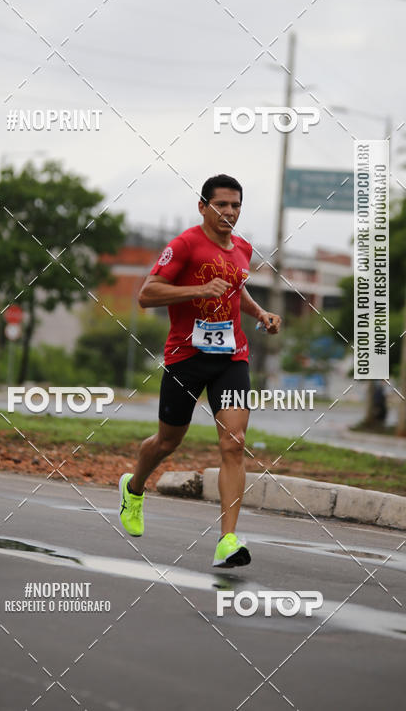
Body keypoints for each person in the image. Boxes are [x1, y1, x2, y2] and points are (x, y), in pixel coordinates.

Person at [118, 174, 281, 567]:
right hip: (185, 357)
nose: (229, 212)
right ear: (203, 206)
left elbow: (235, 287)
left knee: (234, 442)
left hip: (233, 357)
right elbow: (147, 294)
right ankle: (134, 488)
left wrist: (260, 312)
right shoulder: (185, 244)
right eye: (221, 204)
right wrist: (196, 291)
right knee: (167, 442)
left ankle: (228, 539)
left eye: (235, 205)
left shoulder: (242, 247)